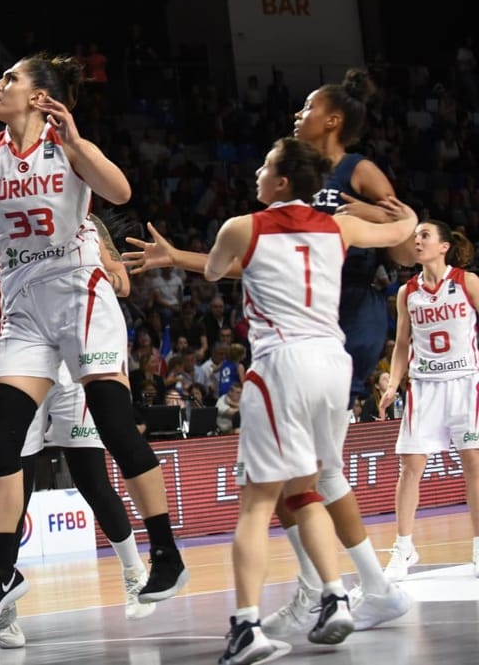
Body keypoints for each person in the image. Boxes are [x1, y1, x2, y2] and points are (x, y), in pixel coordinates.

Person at [0, 51, 186, 629]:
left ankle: (166, 553)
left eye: (9, 78)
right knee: (2, 434)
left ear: (37, 96)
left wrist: (77, 142)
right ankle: (3, 572)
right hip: (25, 307)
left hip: (80, 294)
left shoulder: (67, 146)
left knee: (112, 427)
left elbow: (123, 192)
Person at [127, 137, 416, 661]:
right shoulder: (340, 226)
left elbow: (216, 271)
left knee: (257, 503)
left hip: (282, 364)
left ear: (281, 182)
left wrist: (178, 257)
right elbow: (401, 229)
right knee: (306, 491)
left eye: (264, 166)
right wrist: (399, 208)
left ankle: (246, 626)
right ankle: (333, 596)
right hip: (334, 364)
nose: (256, 171)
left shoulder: (241, 226)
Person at [0, 222, 153, 649]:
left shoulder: (86, 222)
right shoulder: (7, 223)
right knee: (15, 486)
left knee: (92, 479)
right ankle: (5, 599)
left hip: (72, 365)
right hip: (23, 358)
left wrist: (103, 260)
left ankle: (134, 572)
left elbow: (120, 285)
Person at [378, 221, 479, 581]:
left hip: (465, 383)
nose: (416, 240)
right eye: (415, 236)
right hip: (425, 387)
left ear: (443, 246)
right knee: (410, 467)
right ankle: (404, 548)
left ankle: (478, 547)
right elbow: (402, 342)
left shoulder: (467, 283)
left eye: (424, 235)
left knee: (474, 466)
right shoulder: (408, 291)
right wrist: (393, 382)